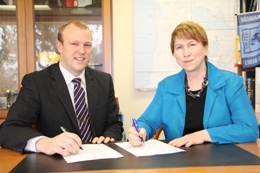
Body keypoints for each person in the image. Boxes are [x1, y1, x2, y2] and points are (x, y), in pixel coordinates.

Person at [0, 20, 123, 156]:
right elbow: (9, 129)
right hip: (57, 163)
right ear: (59, 46)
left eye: (87, 45)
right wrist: (45, 143)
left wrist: (108, 138)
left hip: (99, 161)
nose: (82, 51)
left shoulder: (104, 81)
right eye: (74, 44)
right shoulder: (37, 82)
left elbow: (114, 124)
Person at [128, 21, 259, 147]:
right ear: (174, 54)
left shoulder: (231, 83)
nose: (186, 53)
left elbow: (249, 129)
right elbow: (147, 121)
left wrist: (202, 135)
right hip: (178, 163)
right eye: (179, 47)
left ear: (206, 49)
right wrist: (140, 131)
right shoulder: (166, 86)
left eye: (192, 44)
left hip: (221, 162)